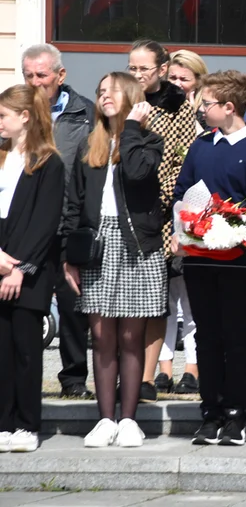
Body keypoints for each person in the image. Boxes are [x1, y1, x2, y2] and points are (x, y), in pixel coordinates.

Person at [62, 72, 167, 449]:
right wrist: (68, 257)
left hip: (136, 245)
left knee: (130, 336)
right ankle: (105, 418)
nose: (104, 97)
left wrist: (135, 128)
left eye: (113, 91)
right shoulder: (90, 145)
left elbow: (138, 173)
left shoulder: (149, 142)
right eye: (101, 92)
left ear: (134, 97)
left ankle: (129, 419)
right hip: (97, 245)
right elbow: (73, 204)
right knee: (102, 335)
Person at [173, 70, 246, 447]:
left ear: (229, 108)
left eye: (207, 104)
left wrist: (222, 221)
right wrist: (183, 221)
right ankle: (210, 411)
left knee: (237, 335)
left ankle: (236, 413)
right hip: (199, 257)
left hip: (235, 259)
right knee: (207, 335)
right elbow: (182, 190)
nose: (201, 110)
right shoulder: (202, 146)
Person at [20, 44, 94, 400]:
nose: (35, 83)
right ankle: (22, 379)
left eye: (42, 75)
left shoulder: (86, 114)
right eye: (28, 75)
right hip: (26, 228)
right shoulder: (15, 113)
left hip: (68, 223)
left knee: (72, 307)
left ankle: (74, 378)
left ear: (60, 75)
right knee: (24, 308)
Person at [128, 41, 198, 403]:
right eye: (133, 68)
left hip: (160, 208)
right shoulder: (123, 97)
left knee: (158, 297)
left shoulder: (179, 106)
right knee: (129, 298)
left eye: (144, 68)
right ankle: (127, 371)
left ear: (161, 68)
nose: (138, 75)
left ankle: (148, 376)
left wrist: (163, 196)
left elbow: (183, 160)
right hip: (125, 205)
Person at [0, 85, 65, 454]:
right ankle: (3, 421)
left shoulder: (47, 163)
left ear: (25, 117)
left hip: (30, 271)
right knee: (1, 349)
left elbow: (45, 221)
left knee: (26, 349)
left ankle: (27, 424)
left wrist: (18, 268)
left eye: (3, 116)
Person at [155, 49, 208, 396]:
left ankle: (193, 367)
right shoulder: (157, 113)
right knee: (162, 301)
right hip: (159, 217)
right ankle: (162, 368)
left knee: (190, 301)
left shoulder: (202, 120)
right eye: (171, 78)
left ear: (197, 83)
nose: (176, 84)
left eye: (183, 79)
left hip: (193, 215)